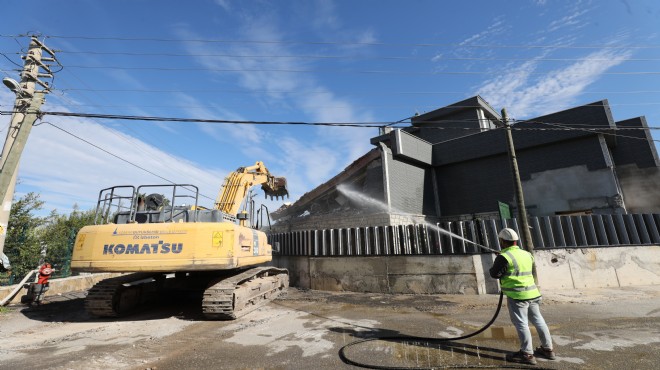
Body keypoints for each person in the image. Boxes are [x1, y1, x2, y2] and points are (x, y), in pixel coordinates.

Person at [489, 228, 556, 365]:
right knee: (539, 321)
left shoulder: (504, 257)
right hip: (533, 294)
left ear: (502, 241)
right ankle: (548, 349)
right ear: (515, 241)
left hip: (518, 296)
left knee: (521, 324)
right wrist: (502, 257)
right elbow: (518, 266)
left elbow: (495, 274)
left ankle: (527, 354)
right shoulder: (526, 254)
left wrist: (500, 259)